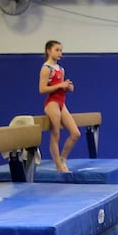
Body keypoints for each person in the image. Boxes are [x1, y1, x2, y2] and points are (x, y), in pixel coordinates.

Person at [40, 40, 81, 172]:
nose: (60, 53)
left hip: (61, 103)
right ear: (48, 51)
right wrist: (60, 85)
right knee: (56, 134)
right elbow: (42, 89)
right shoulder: (46, 68)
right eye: (57, 50)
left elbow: (60, 88)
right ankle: (58, 166)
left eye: (61, 50)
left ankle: (62, 159)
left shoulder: (61, 69)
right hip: (51, 103)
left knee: (75, 133)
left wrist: (67, 88)